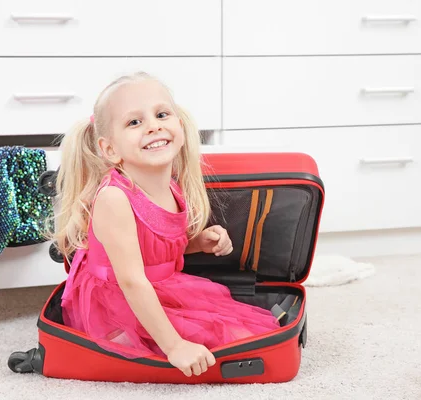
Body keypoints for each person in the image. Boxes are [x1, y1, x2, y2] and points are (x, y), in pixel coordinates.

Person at [47, 71, 280, 378]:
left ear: (179, 126)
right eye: (134, 122)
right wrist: (174, 346)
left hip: (160, 286)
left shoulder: (172, 187)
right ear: (110, 149)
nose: (153, 125)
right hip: (115, 303)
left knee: (244, 334)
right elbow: (131, 280)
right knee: (205, 343)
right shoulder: (114, 199)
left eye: (161, 114)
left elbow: (153, 247)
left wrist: (197, 243)